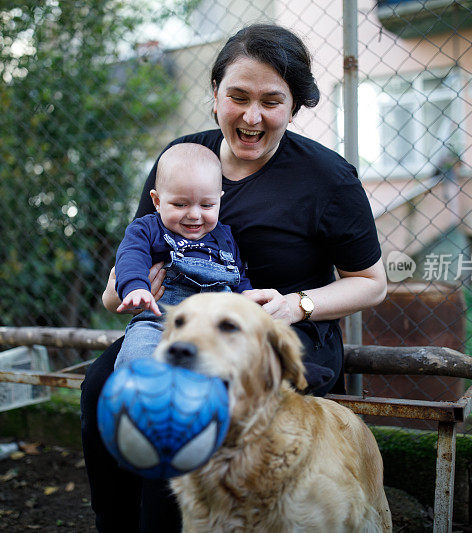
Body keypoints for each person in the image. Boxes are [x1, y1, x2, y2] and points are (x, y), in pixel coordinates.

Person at [81, 23, 387, 532]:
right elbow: (134, 252)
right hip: (181, 322)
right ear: (215, 95)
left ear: (295, 105)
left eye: (271, 101)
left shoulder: (328, 177)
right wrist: (124, 289)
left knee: (188, 399)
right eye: (237, 97)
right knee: (101, 384)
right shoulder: (181, 161)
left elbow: (371, 282)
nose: (252, 116)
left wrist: (296, 305)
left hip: (281, 332)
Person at [113, 143, 252, 370]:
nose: (194, 215)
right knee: (136, 360)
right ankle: (143, 399)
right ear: (157, 201)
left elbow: (237, 278)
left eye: (207, 205)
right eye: (180, 204)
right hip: (159, 321)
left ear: (219, 200)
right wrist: (136, 288)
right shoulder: (147, 229)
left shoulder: (224, 238)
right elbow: (131, 257)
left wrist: (249, 298)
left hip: (214, 327)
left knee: (238, 366)